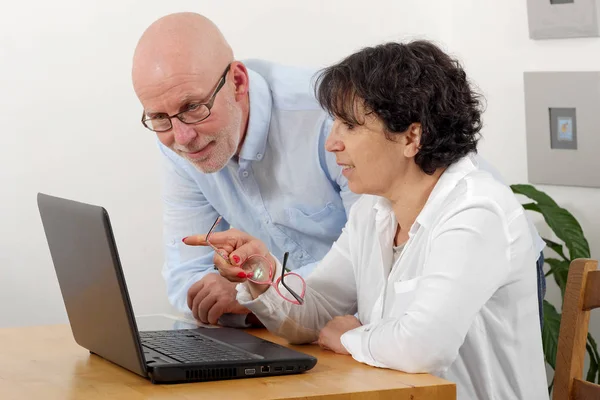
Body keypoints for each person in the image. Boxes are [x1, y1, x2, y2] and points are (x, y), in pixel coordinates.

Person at [184, 41, 549, 399]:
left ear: (411, 136)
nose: (332, 143)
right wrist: (262, 272)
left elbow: (424, 345)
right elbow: (315, 312)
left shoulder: (477, 209)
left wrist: (346, 337)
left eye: (349, 126)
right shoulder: (373, 211)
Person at [131, 12, 360, 327]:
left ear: (237, 82)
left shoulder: (331, 117)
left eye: (193, 108)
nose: (183, 138)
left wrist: (252, 292)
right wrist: (255, 300)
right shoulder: (176, 137)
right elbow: (186, 278)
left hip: (358, 338)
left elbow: (371, 266)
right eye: (158, 117)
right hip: (280, 339)